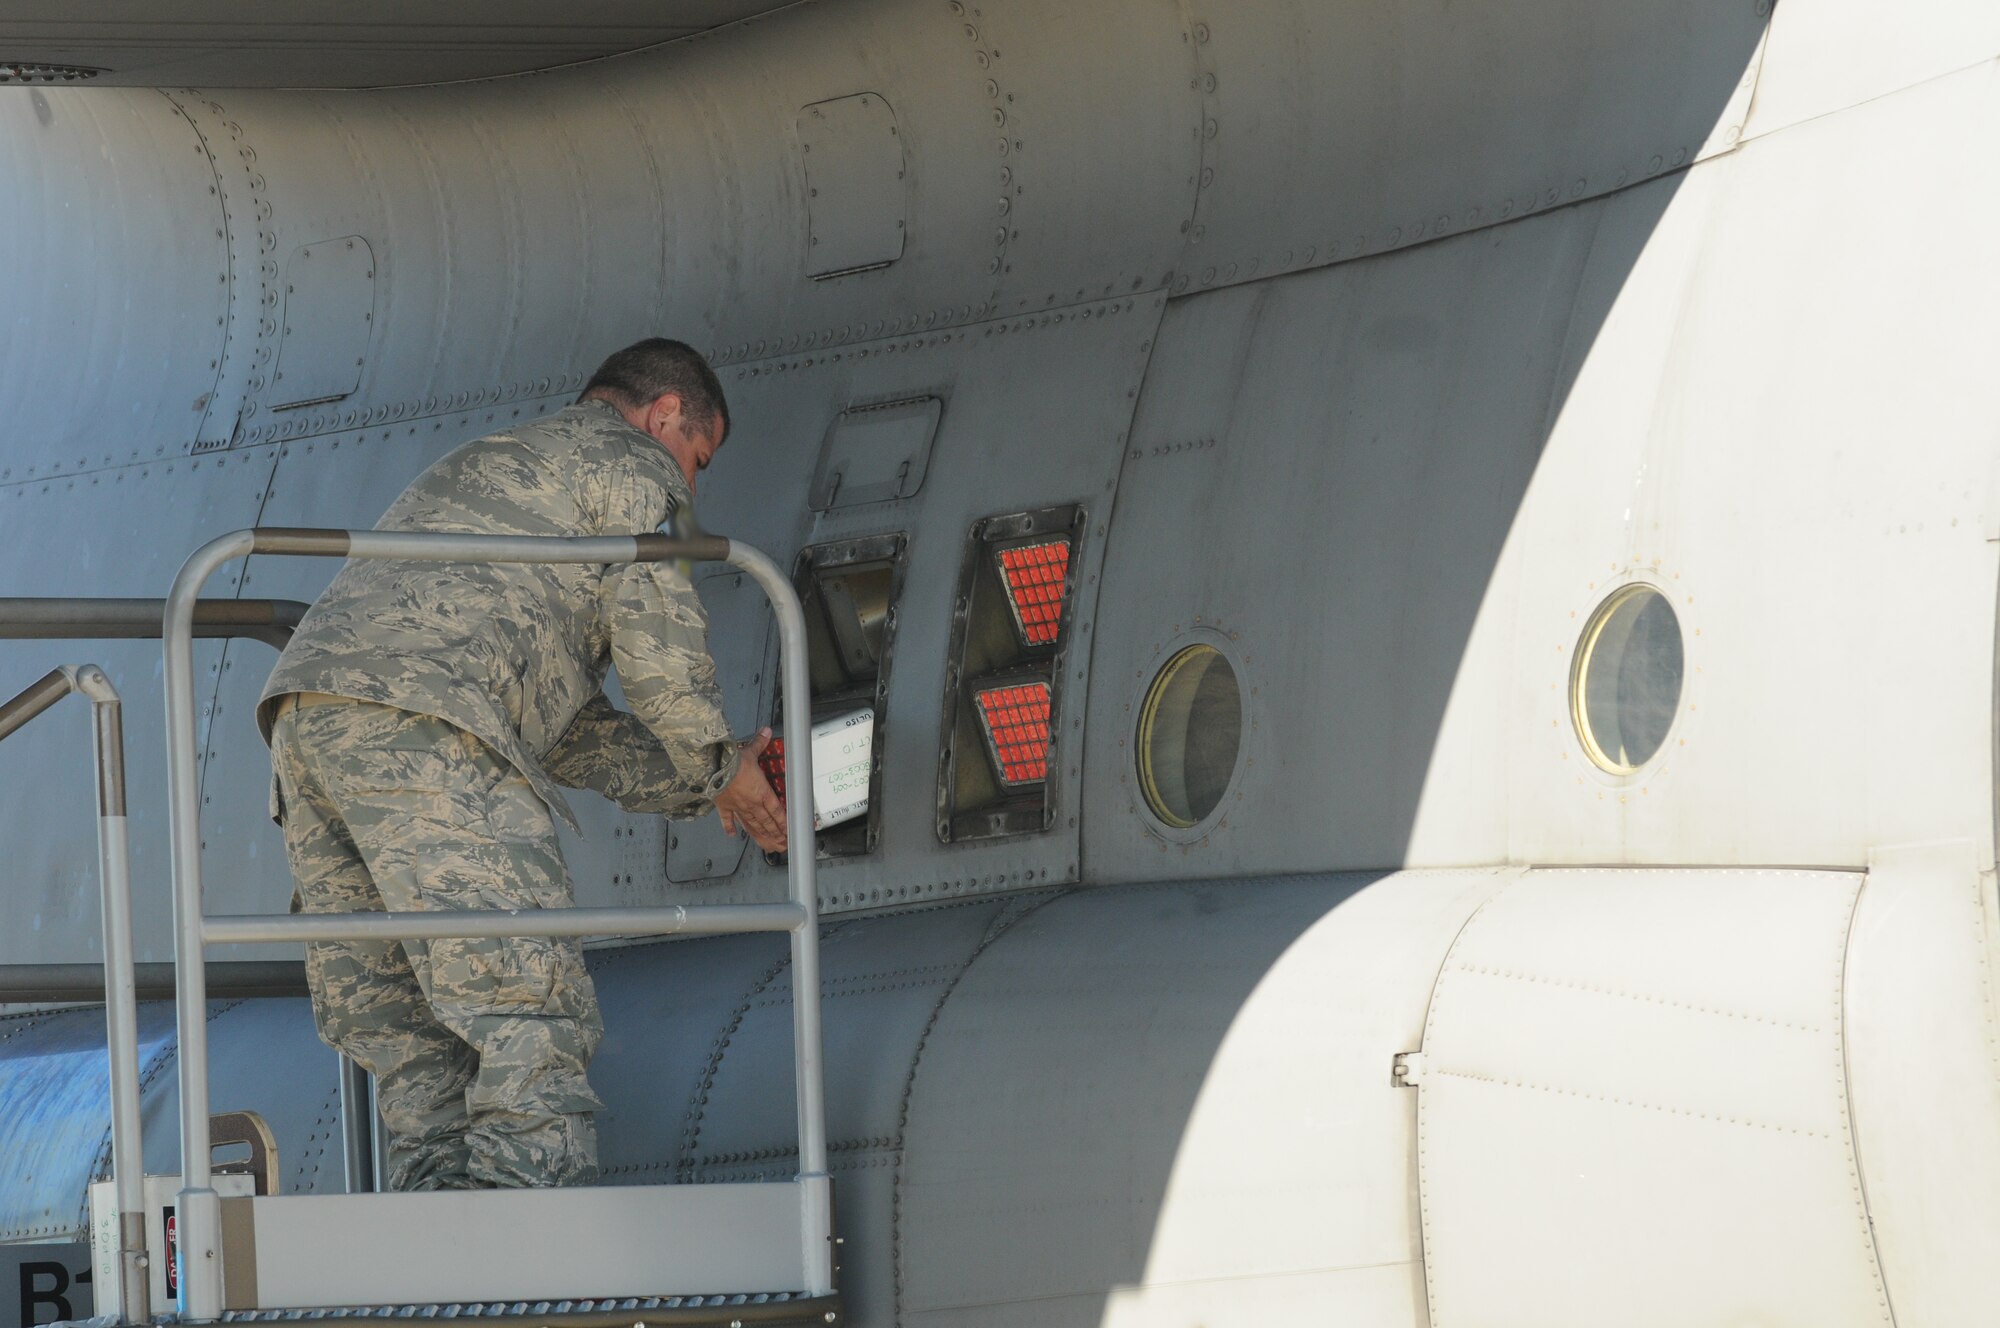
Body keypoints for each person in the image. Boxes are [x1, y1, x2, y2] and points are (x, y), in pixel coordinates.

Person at [256, 337, 787, 1191]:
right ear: (664, 418)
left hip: (312, 727)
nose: (691, 488)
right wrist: (724, 763)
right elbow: (662, 656)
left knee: (425, 1053)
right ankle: (532, 1287)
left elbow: (570, 728)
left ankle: (443, 1273)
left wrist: (706, 781)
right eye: (698, 458)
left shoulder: (514, 474)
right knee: (529, 1015)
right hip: (426, 723)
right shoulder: (629, 464)